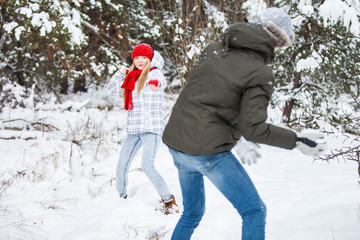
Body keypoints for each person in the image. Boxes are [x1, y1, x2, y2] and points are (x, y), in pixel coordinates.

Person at [162, 7, 326, 240]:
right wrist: (297, 140)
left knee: (192, 213)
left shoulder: (215, 49)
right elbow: (255, 128)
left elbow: (213, 99)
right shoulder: (260, 73)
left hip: (177, 143)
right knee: (254, 211)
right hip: (206, 152)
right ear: (275, 40)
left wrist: (237, 138)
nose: (278, 50)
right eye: (281, 45)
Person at [106, 44, 178, 215]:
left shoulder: (154, 72)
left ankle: (168, 200)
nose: (139, 61)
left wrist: (154, 83)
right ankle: (121, 197)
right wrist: (120, 73)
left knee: (147, 166)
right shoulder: (132, 77)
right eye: (136, 58)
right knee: (122, 164)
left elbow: (160, 81)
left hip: (150, 128)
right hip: (134, 129)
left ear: (149, 59)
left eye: (143, 58)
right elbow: (110, 91)